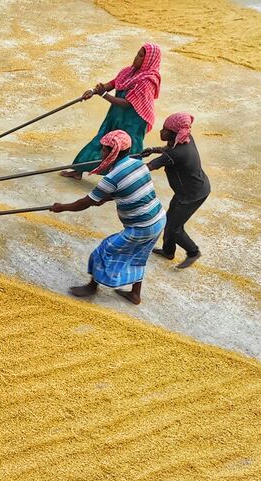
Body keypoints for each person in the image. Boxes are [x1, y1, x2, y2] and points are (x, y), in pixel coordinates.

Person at [51, 129, 166, 305]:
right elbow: (130, 188)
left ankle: (92, 287)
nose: (101, 152)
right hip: (158, 219)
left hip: (141, 226)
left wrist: (61, 207)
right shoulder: (138, 164)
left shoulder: (111, 178)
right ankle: (135, 294)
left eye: (103, 149)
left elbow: (85, 203)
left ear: (110, 151)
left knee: (103, 251)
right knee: (138, 256)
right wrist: (107, 197)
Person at [61, 43, 162, 179]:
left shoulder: (147, 81)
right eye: (137, 54)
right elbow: (113, 84)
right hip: (117, 115)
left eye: (141, 56)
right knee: (102, 140)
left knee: (128, 150)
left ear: (149, 60)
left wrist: (104, 95)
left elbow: (128, 104)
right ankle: (79, 170)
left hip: (134, 122)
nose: (136, 58)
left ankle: (128, 179)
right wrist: (93, 91)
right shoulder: (128, 72)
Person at [141, 112, 210, 269]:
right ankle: (168, 251)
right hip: (189, 190)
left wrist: (126, 168)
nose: (161, 131)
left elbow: (149, 167)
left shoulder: (176, 153)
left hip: (192, 195)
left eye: (165, 129)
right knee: (170, 220)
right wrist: (153, 149)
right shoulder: (184, 139)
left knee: (174, 227)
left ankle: (193, 252)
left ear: (173, 133)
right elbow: (168, 149)